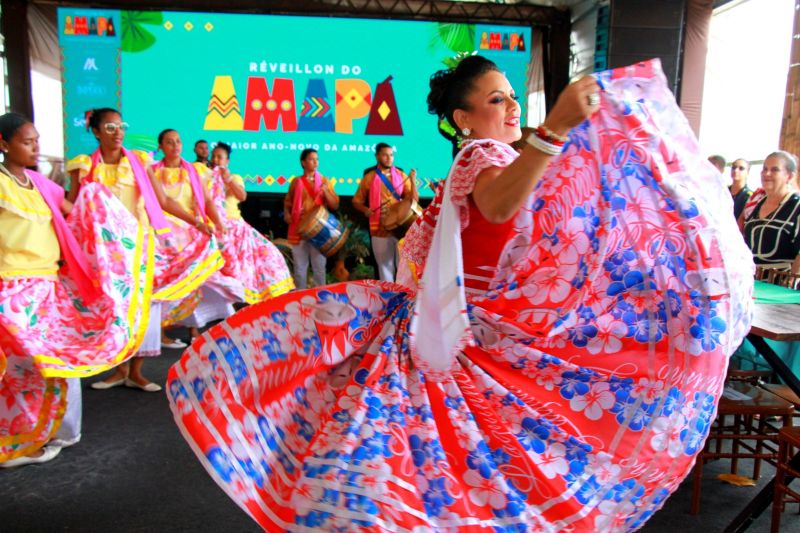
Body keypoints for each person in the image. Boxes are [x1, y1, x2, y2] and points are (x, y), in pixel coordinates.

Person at [166, 57, 752, 530]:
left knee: (449, 476)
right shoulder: (484, 154)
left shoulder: (506, 158)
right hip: (471, 345)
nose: (511, 105)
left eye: (509, 95)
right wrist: (559, 126)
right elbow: (499, 206)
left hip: (484, 336)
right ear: (463, 118)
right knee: (462, 473)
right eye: (496, 99)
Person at [0, 113, 148, 466]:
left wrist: (102, 208)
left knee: (62, 361)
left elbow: (78, 215)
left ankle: (57, 432)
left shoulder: (39, 184)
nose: (35, 147)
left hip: (46, 289)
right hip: (10, 289)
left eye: (37, 140)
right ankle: (16, 440)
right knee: (22, 367)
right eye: (26, 141)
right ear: (3, 144)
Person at [68, 109, 222, 391]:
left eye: (121, 126)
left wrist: (197, 222)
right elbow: (73, 206)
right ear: (96, 132)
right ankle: (118, 370)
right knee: (112, 308)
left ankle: (137, 372)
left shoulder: (139, 161)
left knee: (144, 309)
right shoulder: (84, 166)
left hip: (138, 248)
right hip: (104, 253)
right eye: (110, 127)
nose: (118, 132)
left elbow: (161, 200)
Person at [152, 129, 243, 338]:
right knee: (164, 284)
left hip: (189, 232)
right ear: (161, 147)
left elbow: (208, 200)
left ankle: (199, 331)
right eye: (169, 142)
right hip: (162, 234)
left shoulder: (194, 171)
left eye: (178, 141)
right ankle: (162, 332)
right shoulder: (153, 171)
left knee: (200, 280)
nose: (175, 146)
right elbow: (162, 203)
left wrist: (218, 222)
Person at [209, 142, 294, 301]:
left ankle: (242, 300)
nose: (215, 159)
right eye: (213, 156)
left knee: (257, 260)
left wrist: (227, 180)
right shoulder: (205, 177)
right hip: (213, 229)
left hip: (234, 228)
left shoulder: (234, 178)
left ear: (227, 161)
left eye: (219, 157)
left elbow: (242, 196)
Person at [352, 143, 418, 282]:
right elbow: (356, 201)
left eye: (391, 155)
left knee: (403, 267)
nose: (389, 158)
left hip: (400, 226)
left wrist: (412, 181)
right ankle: (389, 300)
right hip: (379, 229)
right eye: (385, 155)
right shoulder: (369, 177)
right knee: (384, 268)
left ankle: (404, 298)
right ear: (377, 156)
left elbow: (413, 200)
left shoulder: (401, 175)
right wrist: (366, 210)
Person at [283, 148, 339, 289]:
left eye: (317, 159)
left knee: (319, 268)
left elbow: (335, 205)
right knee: (300, 269)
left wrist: (326, 191)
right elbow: (288, 203)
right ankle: (299, 299)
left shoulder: (325, 181)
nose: (316, 162)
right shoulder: (296, 182)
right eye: (311, 159)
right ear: (303, 162)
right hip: (299, 230)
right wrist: (288, 215)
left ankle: (320, 298)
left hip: (319, 231)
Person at [742, 151, 800, 272]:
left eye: (775, 170)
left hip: (781, 285)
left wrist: (789, 284)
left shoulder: (796, 206)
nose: (767, 174)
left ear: (789, 176)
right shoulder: (756, 205)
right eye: (764, 169)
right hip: (754, 281)